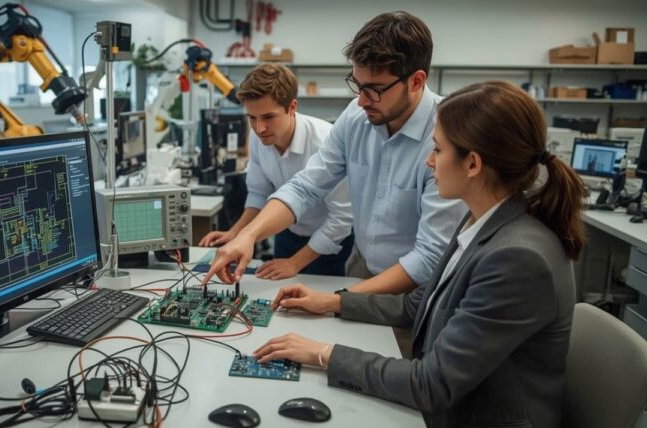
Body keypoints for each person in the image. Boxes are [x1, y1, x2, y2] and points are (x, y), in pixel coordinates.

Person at [253, 81, 585, 427]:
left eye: (437, 149)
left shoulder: (517, 259)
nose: (429, 161)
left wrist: (323, 354)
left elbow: (431, 384)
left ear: (473, 164)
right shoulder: (483, 219)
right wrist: (331, 302)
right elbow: (418, 305)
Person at [201, 12, 466, 296]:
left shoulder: (448, 134)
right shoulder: (356, 117)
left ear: (416, 81)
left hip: (418, 285)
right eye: (357, 85)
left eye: (374, 90)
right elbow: (305, 187)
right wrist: (248, 235)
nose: (361, 101)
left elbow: (430, 255)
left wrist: (338, 300)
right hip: (362, 266)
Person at [198, 63, 354, 279]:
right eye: (252, 118)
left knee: (320, 295)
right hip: (287, 232)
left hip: (328, 239)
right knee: (277, 292)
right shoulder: (258, 137)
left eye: (268, 117)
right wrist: (236, 234)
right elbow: (258, 194)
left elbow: (341, 219)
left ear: (292, 107)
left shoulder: (326, 141)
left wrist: (295, 263)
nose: (259, 128)